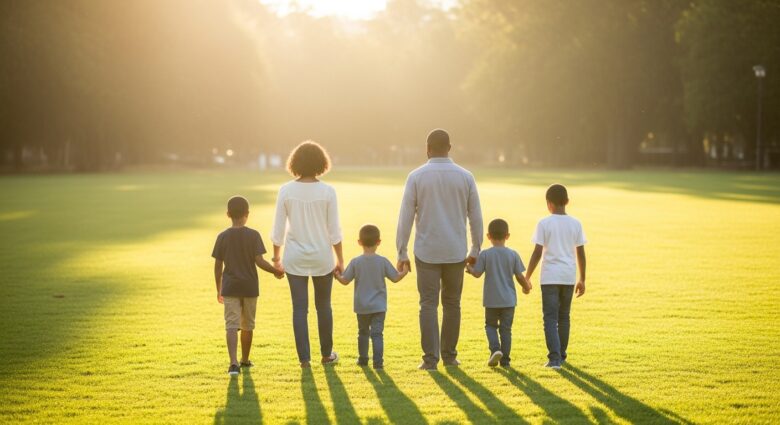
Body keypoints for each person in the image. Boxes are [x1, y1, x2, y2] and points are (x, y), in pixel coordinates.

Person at [396, 128, 483, 370]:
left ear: (427, 148)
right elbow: (475, 216)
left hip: (427, 250)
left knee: (428, 304)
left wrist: (401, 251)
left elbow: (404, 217)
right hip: (456, 250)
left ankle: (430, 360)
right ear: (450, 148)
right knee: (452, 304)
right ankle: (450, 356)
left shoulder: (416, 177)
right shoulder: (466, 177)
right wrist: (476, 248)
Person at [271, 141, 343, 368]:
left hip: (294, 258)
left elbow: (278, 230)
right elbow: (335, 231)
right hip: (322, 257)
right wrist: (340, 259)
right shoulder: (328, 191)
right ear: (321, 163)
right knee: (324, 307)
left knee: (299, 309)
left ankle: (304, 360)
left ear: (295, 163)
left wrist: (276, 259)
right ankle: (326, 354)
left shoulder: (286, 190)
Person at [212, 196, 284, 376]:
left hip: (230, 287)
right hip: (250, 287)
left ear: (228, 214)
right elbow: (259, 261)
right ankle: (245, 359)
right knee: (247, 325)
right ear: (247, 214)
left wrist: (218, 288)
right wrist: (276, 271)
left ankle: (233, 363)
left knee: (231, 325)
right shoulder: (253, 235)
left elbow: (217, 266)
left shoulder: (222, 236)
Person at [525, 184, 587, 369]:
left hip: (550, 277)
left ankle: (554, 359)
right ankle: (562, 355)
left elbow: (537, 252)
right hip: (568, 276)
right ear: (567, 202)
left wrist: (527, 276)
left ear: (548, 204)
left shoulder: (544, 223)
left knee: (550, 318)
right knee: (564, 317)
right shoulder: (576, 223)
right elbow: (581, 253)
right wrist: (582, 279)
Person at [334, 224, 409, 369]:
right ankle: (378, 363)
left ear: (359, 242)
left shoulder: (356, 262)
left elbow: (345, 280)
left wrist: (336, 275)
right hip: (379, 307)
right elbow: (395, 278)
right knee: (377, 334)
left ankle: (363, 359)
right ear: (379, 242)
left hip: (361, 306)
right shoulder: (382, 261)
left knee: (363, 333)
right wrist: (404, 271)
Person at [466, 218, 532, 368]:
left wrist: (468, 268)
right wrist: (526, 287)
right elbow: (519, 276)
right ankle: (505, 361)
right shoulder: (513, 254)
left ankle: (495, 349)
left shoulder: (485, 254)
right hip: (508, 300)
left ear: (488, 236)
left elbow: (477, 274)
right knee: (506, 330)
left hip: (491, 300)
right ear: (507, 236)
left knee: (490, 326)